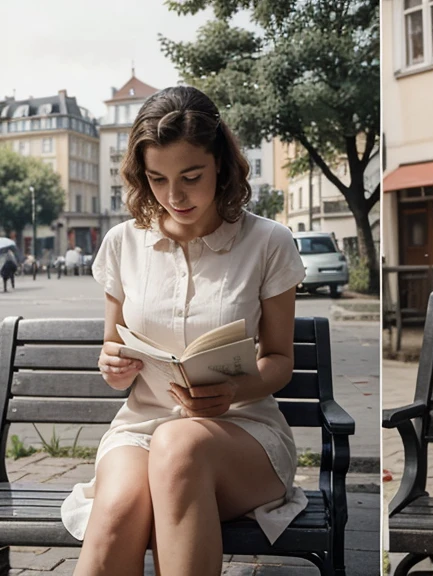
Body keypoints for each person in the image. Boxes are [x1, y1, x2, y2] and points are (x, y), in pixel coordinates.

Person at [62, 85, 308, 576]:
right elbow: (114, 351)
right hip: (141, 426)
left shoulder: (268, 242)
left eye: (190, 177)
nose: (174, 196)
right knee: (115, 514)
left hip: (242, 433)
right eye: (157, 179)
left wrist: (235, 388)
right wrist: (112, 364)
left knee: (180, 446)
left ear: (221, 163)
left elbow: (280, 361)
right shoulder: (121, 244)